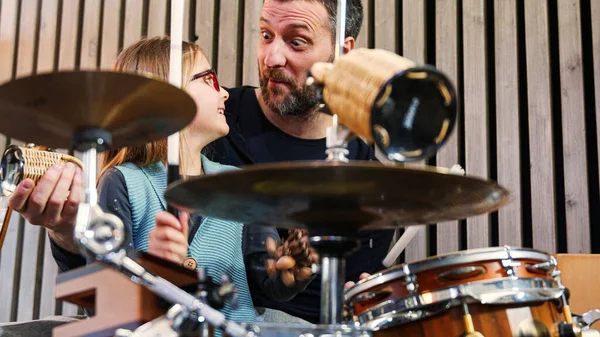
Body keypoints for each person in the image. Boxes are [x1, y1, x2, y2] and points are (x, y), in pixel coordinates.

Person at [207, 0, 395, 324]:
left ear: (343, 52)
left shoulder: (366, 183)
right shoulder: (212, 127)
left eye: (296, 42)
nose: (272, 58)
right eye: (266, 35)